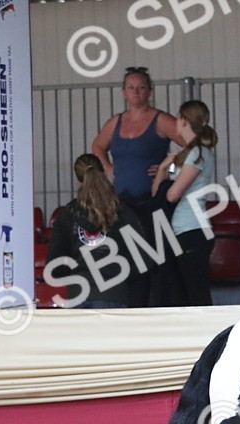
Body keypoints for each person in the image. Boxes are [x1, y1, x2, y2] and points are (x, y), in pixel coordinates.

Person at [91, 67, 184, 305]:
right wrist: (109, 169)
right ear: (123, 92)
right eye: (131, 87)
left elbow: (191, 146)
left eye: (141, 87)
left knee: (157, 258)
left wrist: (169, 169)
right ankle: (135, 307)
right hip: (123, 203)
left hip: (152, 201)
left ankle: (162, 308)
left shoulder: (161, 120)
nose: (136, 92)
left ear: (150, 91)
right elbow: (98, 146)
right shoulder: (116, 122)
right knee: (130, 260)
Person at [46, 154, 145, 308]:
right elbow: (142, 260)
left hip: (78, 295)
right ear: (104, 172)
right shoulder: (123, 212)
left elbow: (54, 265)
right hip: (115, 293)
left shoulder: (67, 215)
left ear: (78, 180)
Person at [149, 100, 219, 307]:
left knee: (197, 295)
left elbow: (171, 195)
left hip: (193, 230)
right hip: (180, 231)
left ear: (184, 120)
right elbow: (156, 192)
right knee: (182, 294)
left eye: (178, 118)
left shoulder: (199, 153)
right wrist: (162, 169)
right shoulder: (183, 155)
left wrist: (166, 180)